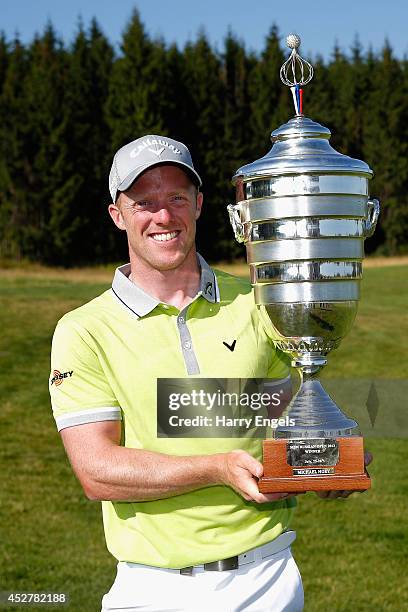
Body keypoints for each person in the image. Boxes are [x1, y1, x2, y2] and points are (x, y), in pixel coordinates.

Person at [49, 135, 369, 612]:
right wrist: (216, 469)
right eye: (144, 202)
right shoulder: (83, 330)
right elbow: (97, 471)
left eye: (177, 197)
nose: (163, 216)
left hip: (268, 580)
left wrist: (328, 462)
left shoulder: (260, 301)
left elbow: (286, 425)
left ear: (199, 205)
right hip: (152, 588)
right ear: (117, 215)